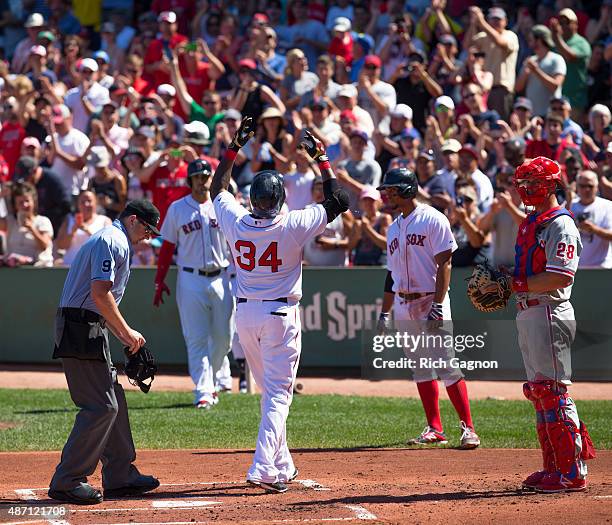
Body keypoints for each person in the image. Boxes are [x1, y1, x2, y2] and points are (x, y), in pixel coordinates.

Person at [210, 118, 349, 493]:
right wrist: (322, 160)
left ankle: (281, 462)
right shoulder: (292, 224)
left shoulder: (236, 220)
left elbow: (216, 187)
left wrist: (233, 148)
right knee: (277, 395)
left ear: (253, 199)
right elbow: (341, 201)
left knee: (270, 392)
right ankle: (262, 468)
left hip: (246, 314)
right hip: (279, 315)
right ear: (280, 200)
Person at [48, 199, 160, 505]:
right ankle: (67, 479)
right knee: (101, 407)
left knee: (114, 397)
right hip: (79, 326)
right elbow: (100, 294)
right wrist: (127, 333)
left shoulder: (115, 239)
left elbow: (100, 301)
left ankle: (120, 474)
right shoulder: (112, 240)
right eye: (148, 229)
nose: (149, 236)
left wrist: (124, 337)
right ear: (134, 219)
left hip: (88, 324)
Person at [376, 168, 480, 449]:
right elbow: (391, 274)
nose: (387, 194)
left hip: (430, 299)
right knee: (420, 367)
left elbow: (445, 262)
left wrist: (437, 304)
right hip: (402, 303)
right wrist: (385, 313)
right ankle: (435, 428)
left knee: (446, 364)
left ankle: (468, 429)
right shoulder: (393, 227)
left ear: (408, 190)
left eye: (392, 190)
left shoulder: (433, 218)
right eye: (387, 190)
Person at [509, 156, 595, 492]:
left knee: (554, 393)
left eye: (535, 183)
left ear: (552, 184)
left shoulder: (561, 223)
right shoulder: (534, 221)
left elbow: (560, 275)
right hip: (530, 311)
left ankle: (573, 471)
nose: (528, 189)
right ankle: (553, 467)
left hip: (549, 309)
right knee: (539, 393)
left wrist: (515, 284)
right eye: (525, 184)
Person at [154, 159, 234, 409]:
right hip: (190, 279)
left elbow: (238, 240)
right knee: (196, 338)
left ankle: (213, 380)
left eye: (206, 176)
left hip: (222, 277)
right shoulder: (178, 208)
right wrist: (160, 280)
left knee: (225, 338)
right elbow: (167, 248)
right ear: (189, 181)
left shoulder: (223, 205)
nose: (202, 180)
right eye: (197, 176)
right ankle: (203, 389)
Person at [467, 7, 519, 120]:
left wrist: (482, 23)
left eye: (498, 19)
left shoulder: (510, 36)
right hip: (484, 90)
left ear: (505, 21)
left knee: (499, 125)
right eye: (493, 19)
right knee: (486, 126)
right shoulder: (483, 36)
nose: (495, 22)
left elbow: (500, 42)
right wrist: (473, 23)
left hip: (501, 90)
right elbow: (467, 45)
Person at [515, 25, 566, 117]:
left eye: (531, 39)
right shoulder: (530, 60)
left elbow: (555, 86)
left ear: (539, 40)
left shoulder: (556, 59)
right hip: (531, 114)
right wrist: (526, 74)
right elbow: (518, 88)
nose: (529, 42)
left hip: (550, 115)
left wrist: (536, 71)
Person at [0, 181, 53, 267]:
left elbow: (44, 246)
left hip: (38, 272)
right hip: (15, 273)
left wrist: (32, 229)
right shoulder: (10, 222)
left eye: (27, 201)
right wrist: (1, 195)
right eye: (20, 203)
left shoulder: (43, 221)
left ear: (34, 202)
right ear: (15, 205)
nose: (25, 205)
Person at [550, 8, 591, 119]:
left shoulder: (581, 43)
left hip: (575, 101)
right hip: (557, 101)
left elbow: (570, 56)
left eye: (566, 22)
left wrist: (557, 37)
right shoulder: (555, 43)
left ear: (575, 24)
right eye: (560, 23)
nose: (563, 25)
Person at [55, 190, 112, 266]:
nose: (86, 204)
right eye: (82, 202)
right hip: (71, 267)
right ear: (78, 204)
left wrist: (88, 231)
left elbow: (108, 246)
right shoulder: (69, 219)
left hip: (95, 268)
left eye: (89, 201)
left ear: (96, 203)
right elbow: (61, 246)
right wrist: (72, 232)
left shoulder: (105, 221)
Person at [569, 171, 612, 268]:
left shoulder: (607, 206)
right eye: (582, 186)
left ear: (597, 187)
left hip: (601, 267)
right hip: (575, 268)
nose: (586, 190)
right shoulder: (570, 205)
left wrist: (593, 229)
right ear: (577, 187)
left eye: (590, 186)